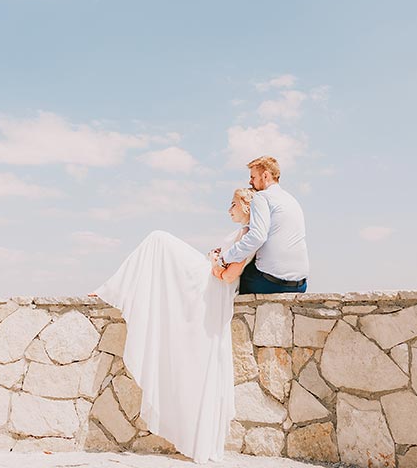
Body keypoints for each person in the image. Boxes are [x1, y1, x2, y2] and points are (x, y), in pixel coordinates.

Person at [90, 188, 255, 463]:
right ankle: (116, 286)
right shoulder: (244, 234)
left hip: (212, 285)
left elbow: (228, 276)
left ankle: (115, 287)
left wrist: (215, 260)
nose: (229, 209)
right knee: (157, 243)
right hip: (211, 279)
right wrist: (217, 256)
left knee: (158, 240)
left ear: (247, 207)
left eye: (233, 204)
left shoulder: (249, 236)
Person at [213, 155, 309, 294]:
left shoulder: (261, 197)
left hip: (272, 284)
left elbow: (257, 237)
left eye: (253, 177)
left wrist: (224, 260)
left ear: (265, 175)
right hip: (300, 285)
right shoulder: (292, 200)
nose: (250, 181)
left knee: (232, 281)